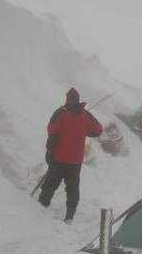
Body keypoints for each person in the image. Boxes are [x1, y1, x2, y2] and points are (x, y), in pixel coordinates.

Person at [38, 88, 103, 222]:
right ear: (77, 99)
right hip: (75, 162)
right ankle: (69, 216)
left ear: (67, 99)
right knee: (73, 189)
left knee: (49, 186)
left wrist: (49, 152)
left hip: (59, 159)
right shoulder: (84, 115)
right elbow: (98, 130)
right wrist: (85, 128)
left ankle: (40, 209)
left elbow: (52, 133)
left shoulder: (61, 113)